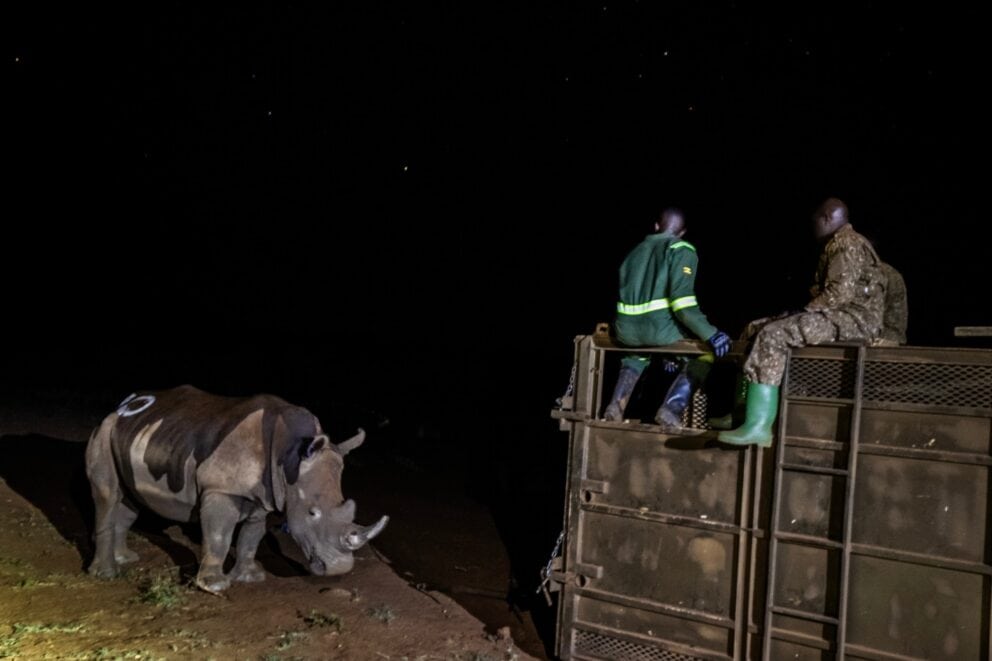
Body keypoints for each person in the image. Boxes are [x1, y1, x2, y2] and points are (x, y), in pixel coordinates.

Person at [718, 197, 886, 447]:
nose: (813, 226)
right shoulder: (837, 243)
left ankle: (759, 425)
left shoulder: (846, 243)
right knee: (755, 327)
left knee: (773, 335)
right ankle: (743, 409)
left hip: (855, 320)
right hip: (842, 314)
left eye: (816, 220)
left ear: (827, 217)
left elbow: (838, 295)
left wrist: (803, 311)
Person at [603, 207, 731, 432]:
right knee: (704, 355)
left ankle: (615, 406)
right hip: (659, 330)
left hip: (625, 331)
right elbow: (682, 305)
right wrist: (711, 333)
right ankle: (671, 410)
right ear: (682, 232)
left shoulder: (634, 251)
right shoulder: (682, 249)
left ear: (655, 226)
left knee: (635, 356)